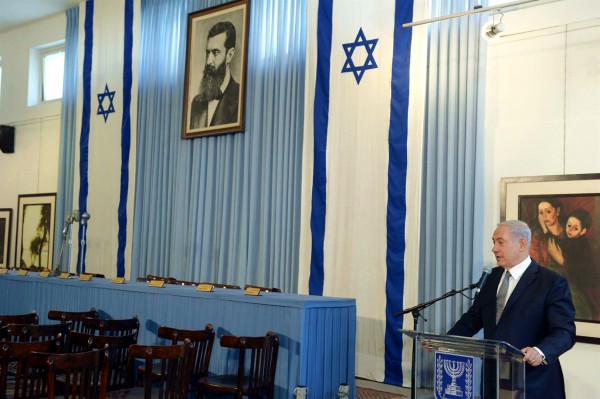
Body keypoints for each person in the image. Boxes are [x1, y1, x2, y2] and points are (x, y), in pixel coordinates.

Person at [448, 220, 576, 399]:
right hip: (493, 379)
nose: (494, 249)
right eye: (494, 242)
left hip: (532, 381)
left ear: (522, 243)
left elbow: (565, 332)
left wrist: (540, 351)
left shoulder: (551, 282)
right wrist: (447, 342)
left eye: (501, 242)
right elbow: (473, 318)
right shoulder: (492, 277)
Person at [189, 21, 240, 129]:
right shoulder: (196, 103)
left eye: (215, 53)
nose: (209, 61)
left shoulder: (240, 97)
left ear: (229, 55)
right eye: (208, 53)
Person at [530, 199, 567, 276]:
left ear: (557, 211)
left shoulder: (569, 233)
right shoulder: (537, 236)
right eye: (541, 213)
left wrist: (562, 261)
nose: (544, 216)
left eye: (548, 212)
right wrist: (544, 229)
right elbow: (533, 267)